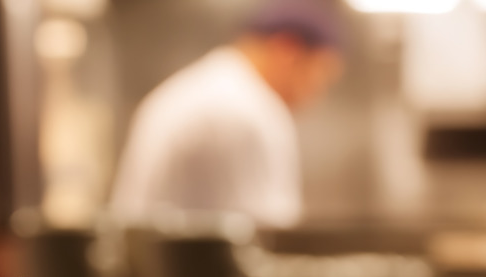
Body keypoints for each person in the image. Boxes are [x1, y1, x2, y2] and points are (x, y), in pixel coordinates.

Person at [108, 0, 344, 230]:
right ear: (287, 51)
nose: (317, 95)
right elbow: (270, 237)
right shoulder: (249, 111)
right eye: (321, 75)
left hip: (148, 263)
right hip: (187, 268)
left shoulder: (200, 89)